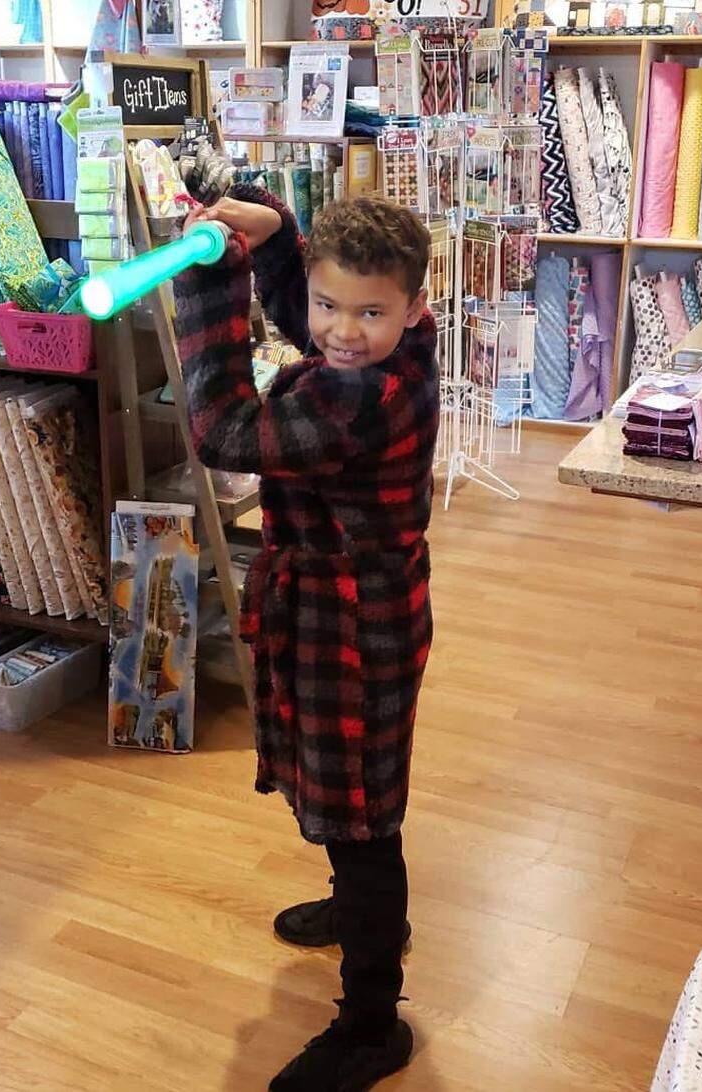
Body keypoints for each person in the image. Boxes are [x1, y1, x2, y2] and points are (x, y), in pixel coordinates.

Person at [171, 186, 438, 1091]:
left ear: (416, 308)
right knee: (348, 795)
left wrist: (211, 291)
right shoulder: (389, 354)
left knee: (362, 816)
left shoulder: (360, 403)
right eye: (330, 303)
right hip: (350, 608)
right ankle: (365, 911)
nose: (342, 330)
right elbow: (313, 319)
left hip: (352, 627)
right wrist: (283, 237)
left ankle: (372, 1024)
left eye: (371, 311)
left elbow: (223, 428)